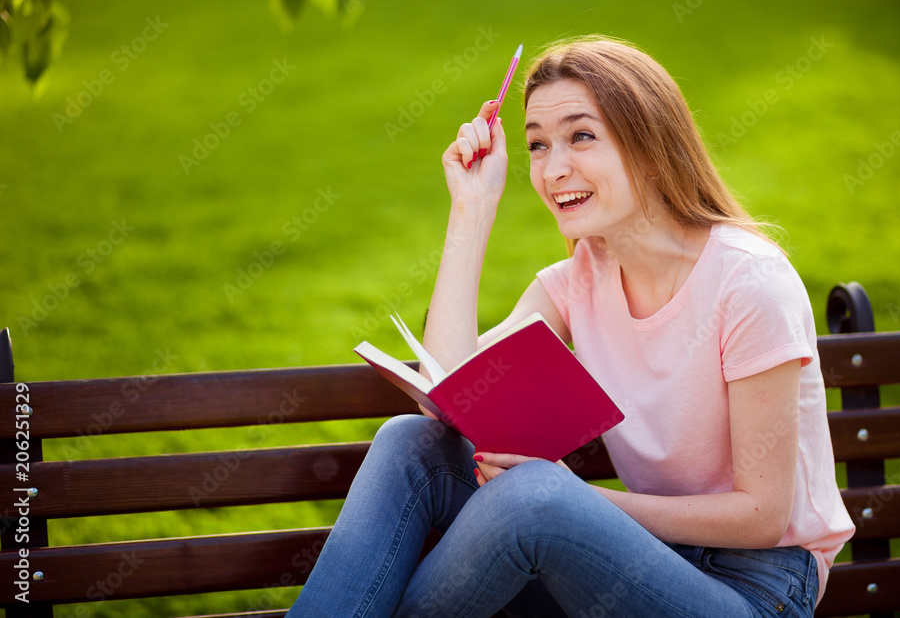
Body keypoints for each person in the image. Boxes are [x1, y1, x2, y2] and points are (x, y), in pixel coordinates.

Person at [287, 35, 855, 618]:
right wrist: (472, 208)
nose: (555, 169)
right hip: (625, 565)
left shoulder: (748, 282)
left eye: (582, 136)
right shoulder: (576, 280)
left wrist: (578, 501)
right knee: (412, 444)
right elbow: (451, 393)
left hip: (754, 590)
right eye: (537, 145)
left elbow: (762, 517)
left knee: (535, 499)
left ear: (650, 142)